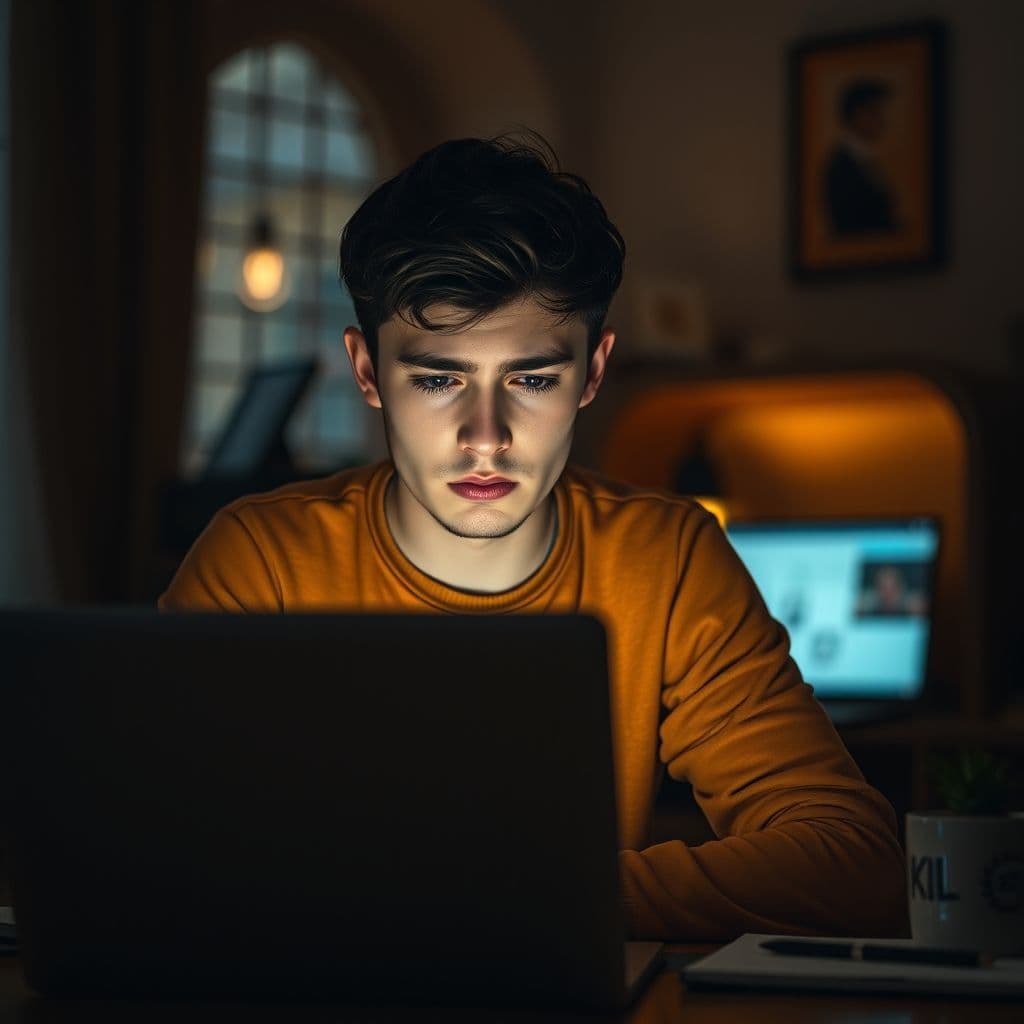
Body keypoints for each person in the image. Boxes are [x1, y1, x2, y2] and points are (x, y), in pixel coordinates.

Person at [160, 130, 907, 941]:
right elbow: (148, 846)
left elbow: (851, 859)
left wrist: (535, 903)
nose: (487, 436)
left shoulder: (665, 560)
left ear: (592, 373)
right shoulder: (261, 561)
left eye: (531, 379)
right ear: (367, 372)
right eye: (440, 379)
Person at [822, 79, 899, 236]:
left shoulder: (867, 161)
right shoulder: (841, 166)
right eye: (874, 112)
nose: (882, 120)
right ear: (856, 115)